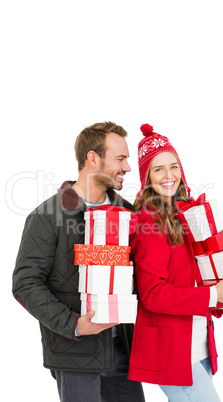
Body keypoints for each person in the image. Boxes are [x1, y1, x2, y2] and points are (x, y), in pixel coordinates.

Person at [12, 122, 145, 402]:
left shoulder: (127, 212)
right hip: (75, 353)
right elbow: (25, 283)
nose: (128, 168)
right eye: (120, 159)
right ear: (93, 158)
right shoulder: (48, 216)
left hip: (122, 351)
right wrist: (73, 324)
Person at [127, 123, 223, 402]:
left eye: (174, 166)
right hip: (174, 353)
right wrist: (214, 293)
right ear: (146, 177)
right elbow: (153, 294)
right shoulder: (149, 221)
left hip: (198, 346)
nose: (169, 176)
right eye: (158, 169)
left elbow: (194, 276)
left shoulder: (184, 212)